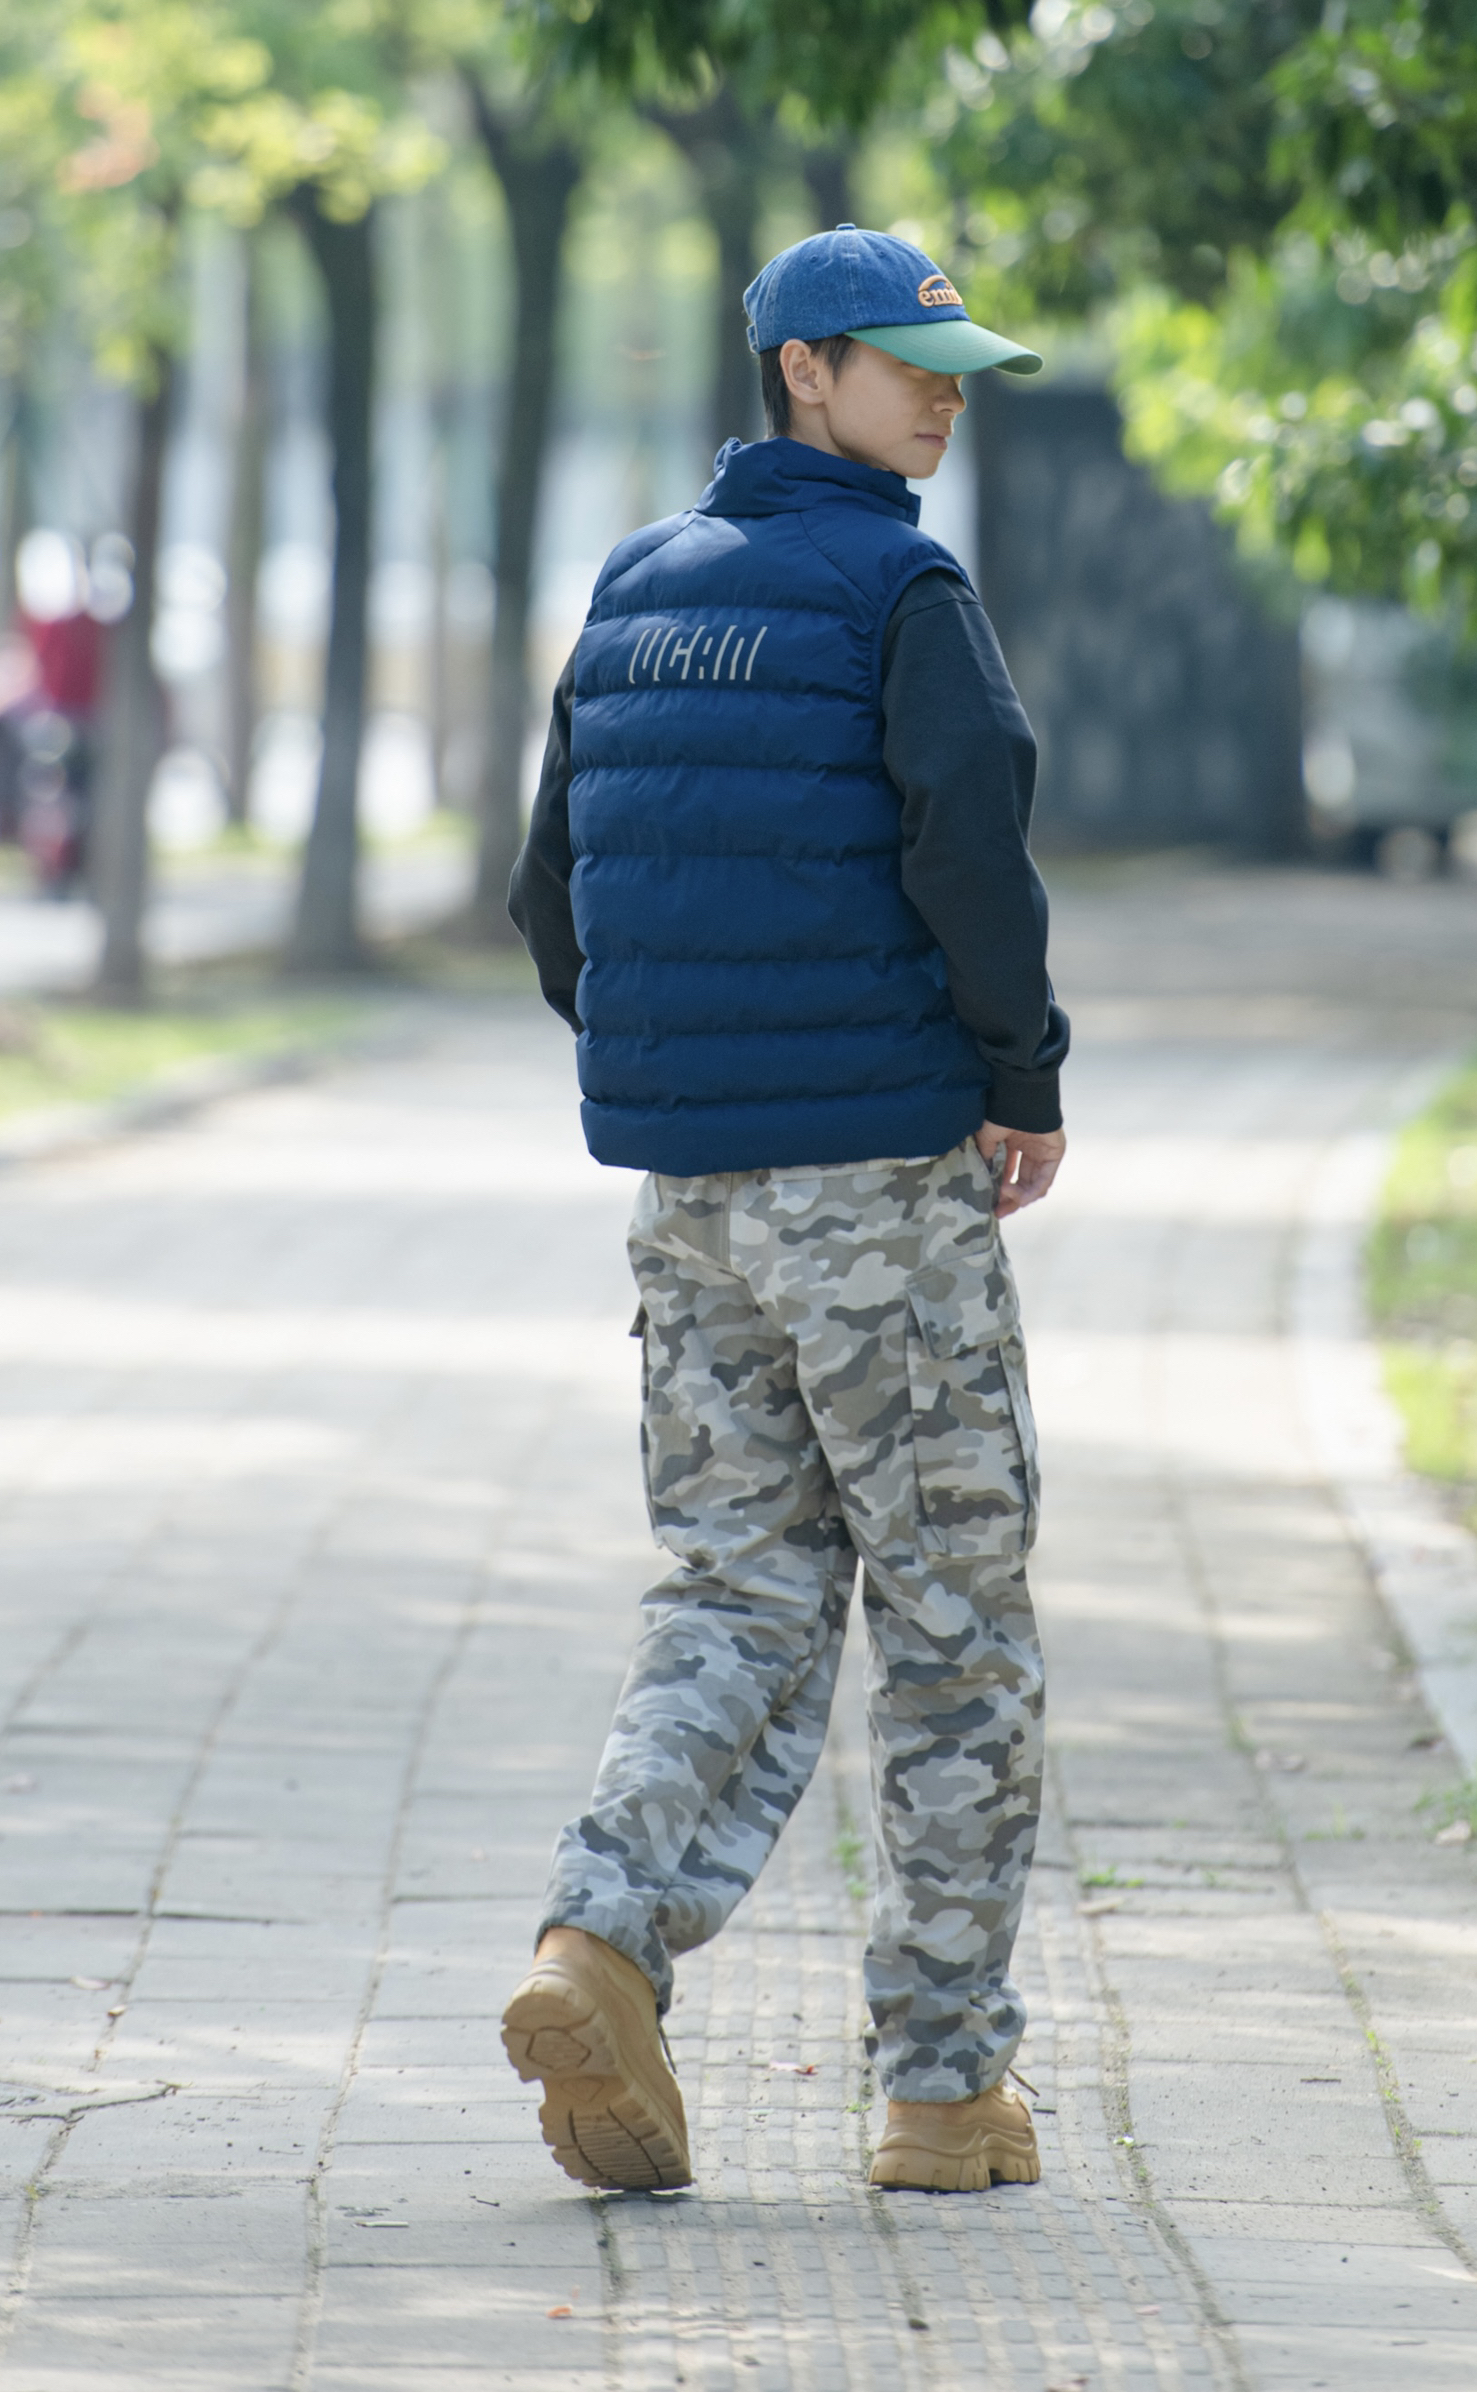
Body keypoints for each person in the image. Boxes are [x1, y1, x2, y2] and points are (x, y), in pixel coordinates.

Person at [501, 226, 1069, 2198]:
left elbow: (553, 896)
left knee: (734, 1590)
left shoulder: (635, 590)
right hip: (884, 1200)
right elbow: (972, 847)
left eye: (955, 370)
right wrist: (1020, 1076)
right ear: (803, 372)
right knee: (954, 1629)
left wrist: (691, 1076)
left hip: (691, 1206)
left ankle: (598, 1940)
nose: (943, 399)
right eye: (908, 365)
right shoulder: (905, 591)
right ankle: (941, 2089)